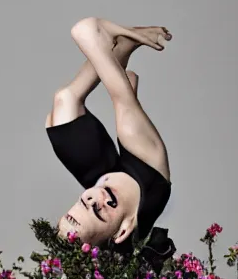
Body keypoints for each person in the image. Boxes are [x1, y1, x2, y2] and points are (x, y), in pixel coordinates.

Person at [46, 17, 173, 250]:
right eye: (98, 210)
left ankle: (121, 47)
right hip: (142, 173)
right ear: (123, 230)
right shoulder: (149, 190)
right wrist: (86, 37)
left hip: (107, 174)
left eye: (85, 200)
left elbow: (94, 196)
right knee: (122, 101)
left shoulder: (98, 191)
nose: (95, 198)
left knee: (62, 106)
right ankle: (99, 38)